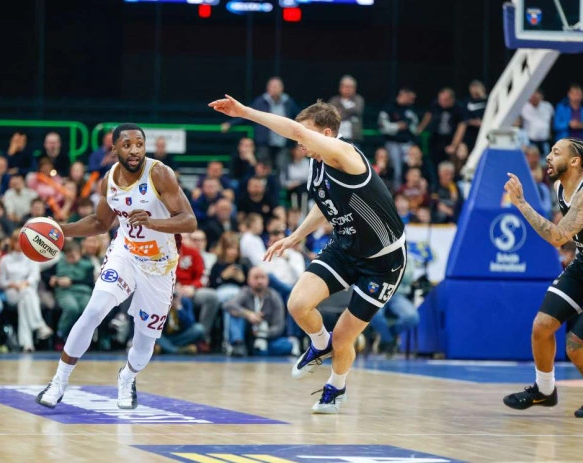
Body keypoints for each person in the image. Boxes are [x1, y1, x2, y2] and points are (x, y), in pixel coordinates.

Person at [209, 96, 406, 414]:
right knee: (298, 304)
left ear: (326, 134)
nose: (299, 143)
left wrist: (244, 112)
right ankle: (319, 343)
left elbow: (296, 132)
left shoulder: (345, 153)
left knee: (344, 338)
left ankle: (336, 388)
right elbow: (325, 204)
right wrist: (295, 236)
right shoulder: (318, 161)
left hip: (383, 262)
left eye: (305, 134)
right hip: (345, 247)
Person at [36, 123, 197, 410]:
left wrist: (152, 222)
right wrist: (59, 230)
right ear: (114, 149)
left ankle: (127, 377)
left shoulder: (159, 173)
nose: (134, 150)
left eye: (139, 144)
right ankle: (59, 381)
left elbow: (189, 221)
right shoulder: (108, 180)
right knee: (94, 310)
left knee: (144, 345)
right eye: (127, 145)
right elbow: (100, 223)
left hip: (159, 265)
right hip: (125, 254)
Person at [503, 137, 583, 418]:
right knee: (541, 326)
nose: (549, 157)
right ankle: (544, 390)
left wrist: (521, 203)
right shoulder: (559, 188)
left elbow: (557, 236)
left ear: (575, 161)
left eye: (556, 153)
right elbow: (575, 232)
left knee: (576, 348)